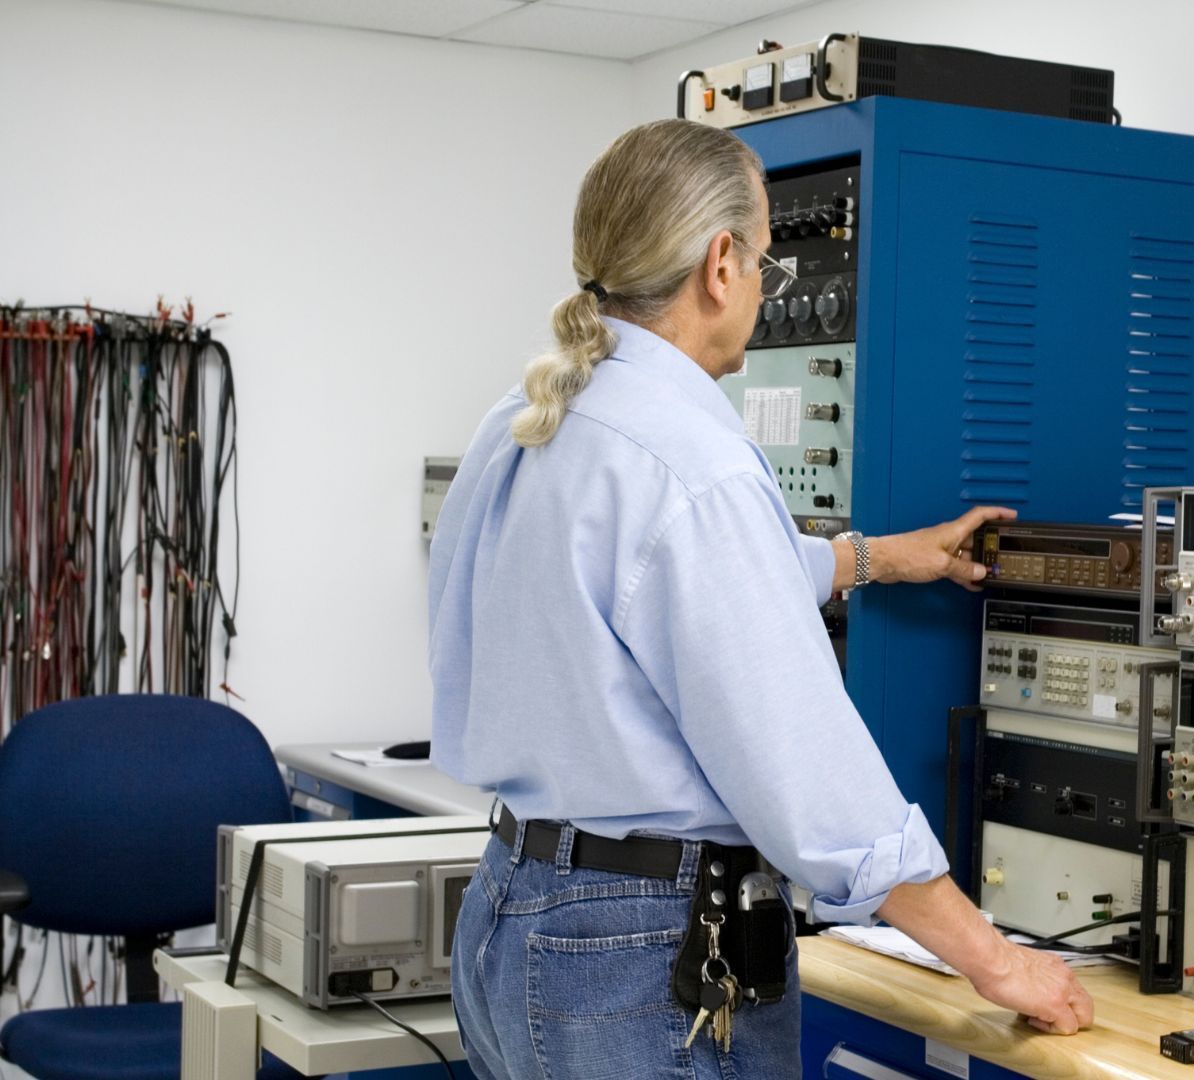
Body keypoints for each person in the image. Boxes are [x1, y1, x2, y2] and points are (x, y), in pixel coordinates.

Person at [428, 119, 1093, 1079]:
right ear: (720, 264)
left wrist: (878, 560)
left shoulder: (526, 417)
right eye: (772, 261)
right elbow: (815, 785)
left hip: (511, 916)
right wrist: (997, 961)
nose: (769, 284)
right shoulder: (692, 462)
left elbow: (652, 593)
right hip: (640, 957)